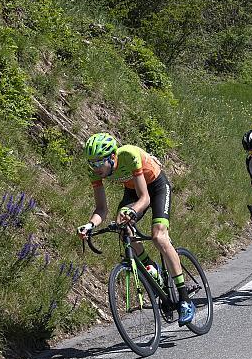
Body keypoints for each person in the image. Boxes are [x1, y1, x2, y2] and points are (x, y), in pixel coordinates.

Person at [76, 132, 196, 325]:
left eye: (99, 163)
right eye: (92, 163)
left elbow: (145, 198)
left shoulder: (128, 155)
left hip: (156, 187)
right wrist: (90, 224)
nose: (95, 168)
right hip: (132, 191)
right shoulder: (94, 172)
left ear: (112, 157)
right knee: (123, 227)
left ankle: (185, 299)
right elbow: (101, 209)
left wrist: (132, 212)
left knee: (159, 237)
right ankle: (150, 266)